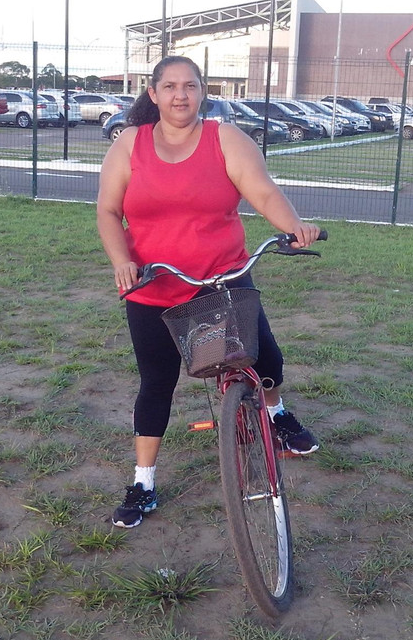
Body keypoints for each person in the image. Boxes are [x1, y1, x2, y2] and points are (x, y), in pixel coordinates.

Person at [96, 55, 322, 529]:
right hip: (153, 285)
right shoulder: (129, 145)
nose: (181, 95)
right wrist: (122, 261)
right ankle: (143, 482)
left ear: (204, 92)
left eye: (191, 86)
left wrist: (293, 226)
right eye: (171, 86)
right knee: (156, 382)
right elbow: (108, 211)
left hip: (221, 278)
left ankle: (276, 414)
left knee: (266, 361)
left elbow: (262, 193)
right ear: (153, 94)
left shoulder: (226, 140)